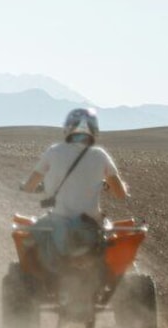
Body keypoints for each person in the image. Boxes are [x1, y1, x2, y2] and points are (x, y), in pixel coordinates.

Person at [19, 108, 128, 275]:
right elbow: (120, 194)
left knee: (28, 237)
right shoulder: (101, 155)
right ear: (94, 130)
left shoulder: (53, 151)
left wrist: (29, 187)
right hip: (91, 225)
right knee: (114, 238)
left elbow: (30, 185)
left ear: (67, 128)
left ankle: (32, 283)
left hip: (58, 220)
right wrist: (110, 185)